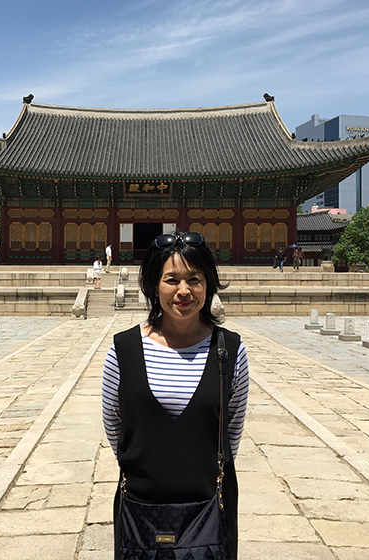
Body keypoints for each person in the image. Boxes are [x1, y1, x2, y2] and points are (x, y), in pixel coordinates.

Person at [102, 231, 249, 559]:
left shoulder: (229, 350)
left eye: (194, 279)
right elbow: (115, 426)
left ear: (208, 284)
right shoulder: (123, 350)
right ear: (155, 286)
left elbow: (230, 431)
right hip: (140, 506)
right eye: (171, 280)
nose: (184, 291)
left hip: (208, 506)